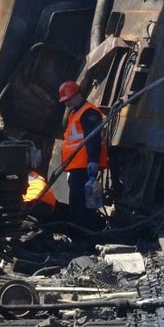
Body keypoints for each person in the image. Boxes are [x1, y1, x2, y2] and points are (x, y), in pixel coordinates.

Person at [58, 80, 108, 228]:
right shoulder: (77, 113)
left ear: (75, 96)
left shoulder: (89, 113)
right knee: (79, 202)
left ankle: (82, 236)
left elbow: (93, 138)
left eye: (67, 100)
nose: (66, 104)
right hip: (77, 166)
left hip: (84, 166)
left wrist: (92, 161)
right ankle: (83, 234)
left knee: (80, 204)